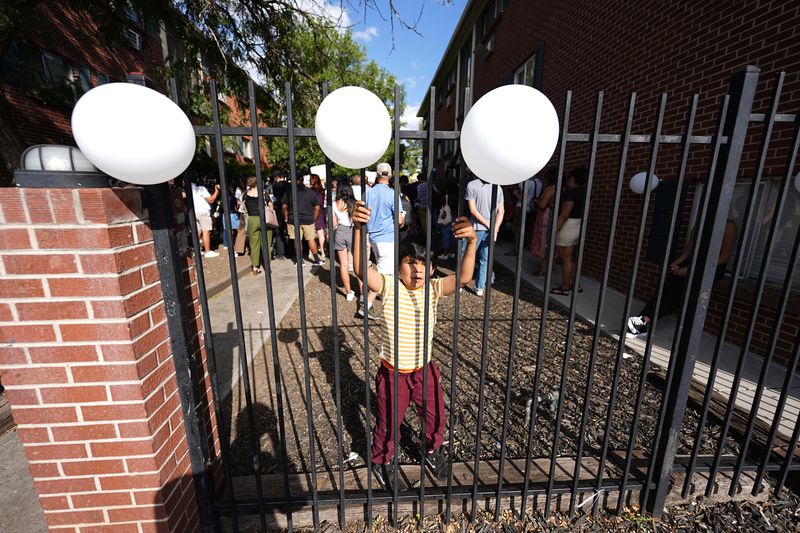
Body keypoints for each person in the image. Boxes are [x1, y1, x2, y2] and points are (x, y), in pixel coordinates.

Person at [351, 201, 477, 492]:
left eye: (424, 264)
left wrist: (471, 242)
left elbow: (466, 277)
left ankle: (432, 451)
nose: (418, 271)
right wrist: (360, 229)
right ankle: (383, 460)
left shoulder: (433, 289)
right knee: (388, 422)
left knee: (435, 417)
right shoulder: (389, 287)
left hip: (425, 369)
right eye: (411, 263)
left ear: (432, 268)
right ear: (398, 266)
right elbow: (360, 268)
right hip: (393, 372)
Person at [627, 219, 738, 337]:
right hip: (693, 261)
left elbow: (724, 257)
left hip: (713, 266)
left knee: (678, 290)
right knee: (668, 286)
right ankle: (642, 319)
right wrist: (675, 265)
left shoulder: (728, 227)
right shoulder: (699, 225)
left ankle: (643, 319)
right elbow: (687, 253)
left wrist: (690, 270)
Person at [361, 162, 405, 318]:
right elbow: (399, 220)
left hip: (372, 236)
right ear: (390, 175)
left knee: (384, 268)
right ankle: (366, 304)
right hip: (387, 237)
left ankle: (384, 296)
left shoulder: (367, 194)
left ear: (377, 174)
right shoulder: (393, 194)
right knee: (384, 272)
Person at [464, 174, 505, 296]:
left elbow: (473, 210)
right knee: (485, 259)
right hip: (489, 228)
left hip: (476, 227)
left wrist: (492, 226)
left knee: (467, 255)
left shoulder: (471, 184)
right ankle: (479, 287)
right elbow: (501, 211)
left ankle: (461, 282)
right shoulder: (498, 187)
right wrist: (495, 228)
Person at [551, 167, 588, 295]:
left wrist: (555, 229)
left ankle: (565, 287)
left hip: (568, 225)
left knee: (566, 259)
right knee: (570, 258)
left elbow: (565, 213)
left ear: (572, 179)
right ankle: (574, 284)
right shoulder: (586, 192)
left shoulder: (571, 193)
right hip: (579, 225)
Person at [281, 174, 324, 266]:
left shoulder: (289, 192)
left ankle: (299, 260)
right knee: (311, 239)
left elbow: (284, 206)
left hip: (293, 219)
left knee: (297, 240)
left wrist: (286, 217)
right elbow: (317, 207)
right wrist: (314, 218)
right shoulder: (310, 192)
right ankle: (316, 259)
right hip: (308, 219)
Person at [332, 185, 360, 301]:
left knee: (343, 265)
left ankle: (348, 293)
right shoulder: (354, 203)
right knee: (358, 263)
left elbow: (334, 224)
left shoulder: (334, 203)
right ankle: (363, 293)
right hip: (352, 232)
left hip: (340, 232)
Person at [530, 168, 558, 276]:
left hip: (546, 216)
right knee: (552, 241)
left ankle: (543, 270)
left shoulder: (550, 189)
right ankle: (553, 268)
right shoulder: (562, 188)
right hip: (555, 215)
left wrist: (536, 200)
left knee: (544, 241)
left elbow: (543, 205)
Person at [243, 177, 273, 275]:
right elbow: (270, 206)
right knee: (266, 244)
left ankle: (255, 267)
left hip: (252, 219)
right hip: (264, 219)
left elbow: (245, 208)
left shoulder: (245, 194)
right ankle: (267, 267)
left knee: (254, 244)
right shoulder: (264, 193)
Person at [507, 174, 542, 256]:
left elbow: (522, 198)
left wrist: (516, 193)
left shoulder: (527, 183)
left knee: (517, 229)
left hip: (521, 207)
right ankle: (520, 247)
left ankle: (516, 249)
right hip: (530, 207)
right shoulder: (539, 183)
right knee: (523, 229)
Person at [191, 178, 221, 258]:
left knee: (197, 231)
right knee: (205, 232)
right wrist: (217, 191)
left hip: (194, 212)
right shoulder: (201, 189)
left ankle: (197, 250)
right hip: (203, 212)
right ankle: (207, 251)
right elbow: (211, 200)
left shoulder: (190, 188)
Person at [271, 171, 290, 260]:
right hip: (290, 209)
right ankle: (291, 251)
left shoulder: (275, 186)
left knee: (279, 232)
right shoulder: (289, 185)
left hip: (278, 209)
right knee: (291, 231)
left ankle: (280, 252)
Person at [309, 173, 327, 256]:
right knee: (320, 233)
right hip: (321, 212)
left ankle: (310, 252)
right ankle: (322, 251)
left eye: (311, 179)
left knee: (310, 233)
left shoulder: (310, 191)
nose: (309, 180)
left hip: (311, 212)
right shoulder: (322, 190)